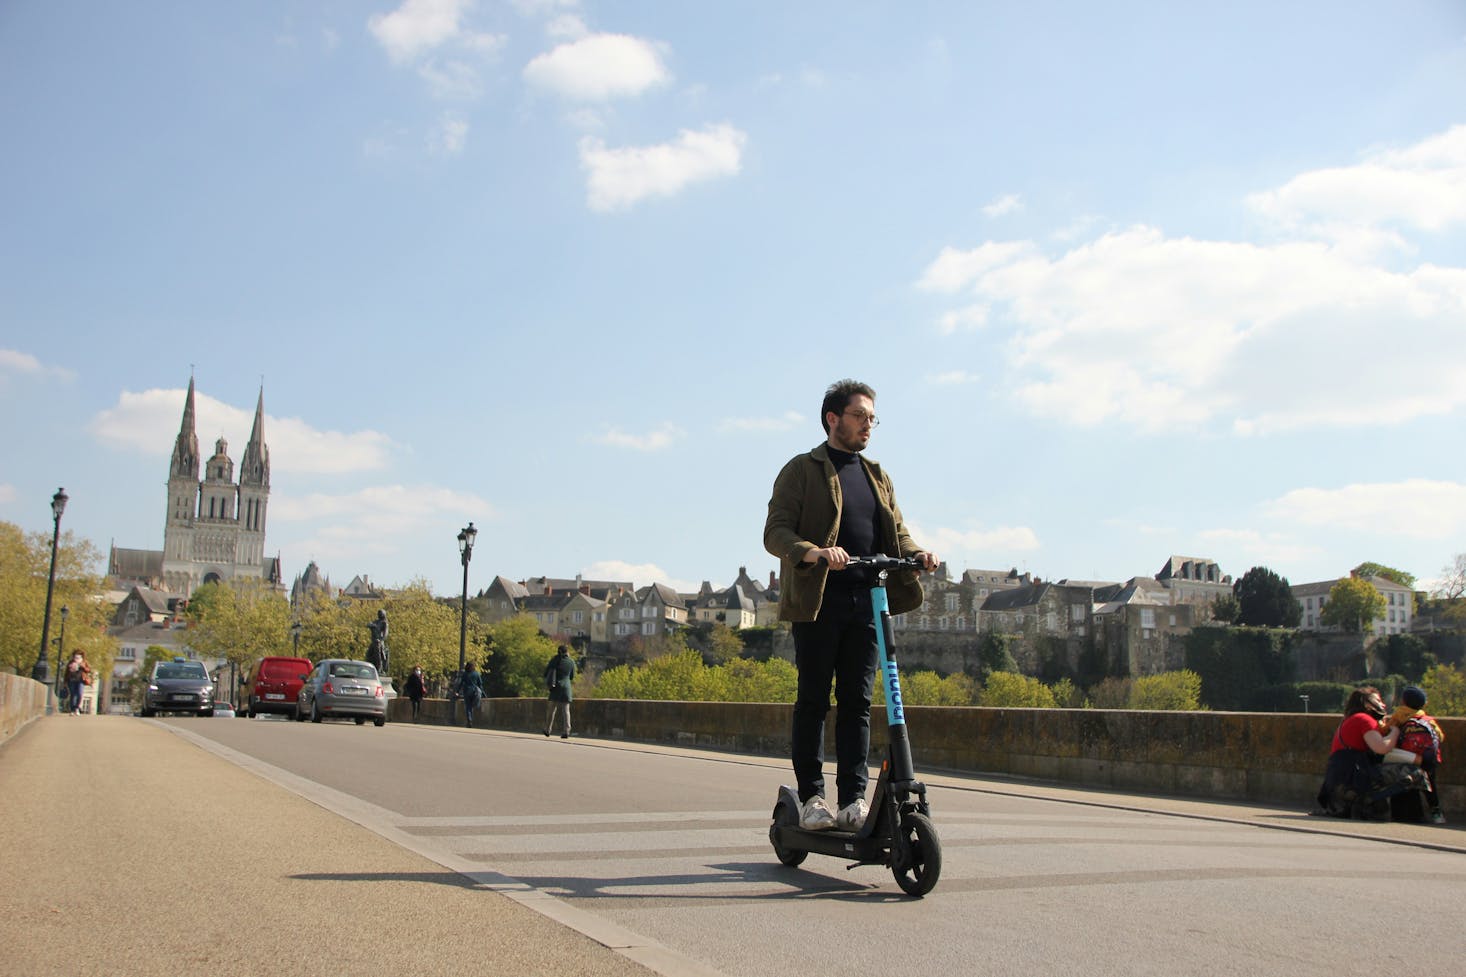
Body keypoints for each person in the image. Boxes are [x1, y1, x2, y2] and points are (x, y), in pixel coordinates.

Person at [763, 379, 938, 832]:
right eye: (860, 415)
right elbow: (775, 532)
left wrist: (917, 553)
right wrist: (814, 551)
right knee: (814, 701)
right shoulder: (802, 470)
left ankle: (853, 800)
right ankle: (812, 798)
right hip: (820, 603)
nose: (868, 425)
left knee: (858, 703)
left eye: (872, 418)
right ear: (833, 419)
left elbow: (897, 532)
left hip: (868, 603)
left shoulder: (876, 475)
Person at [1314, 685, 1401, 818]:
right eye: (1378, 700)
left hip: (1337, 786)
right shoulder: (1364, 720)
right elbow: (1381, 747)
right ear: (1367, 704)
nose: (1382, 704)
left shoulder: (1350, 719)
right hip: (1352, 782)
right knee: (1414, 773)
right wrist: (1395, 731)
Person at [1381, 685, 1446, 824]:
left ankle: (1402, 814)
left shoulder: (1399, 715)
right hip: (1429, 758)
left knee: (1405, 780)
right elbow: (1440, 736)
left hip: (1409, 757)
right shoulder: (1427, 719)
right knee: (1430, 785)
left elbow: (1386, 730)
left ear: (1404, 701)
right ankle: (1436, 813)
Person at [544, 645, 576, 739]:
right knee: (566, 710)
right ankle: (566, 731)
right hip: (566, 688)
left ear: (559, 651)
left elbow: (546, 673)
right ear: (567, 652)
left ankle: (548, 729)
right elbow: (571, 677)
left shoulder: (555, 660)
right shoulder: (571, 661)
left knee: (551, 710)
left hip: (555, 687)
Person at [62, 650, 92, 716]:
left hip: (81, 680)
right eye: (75, 656)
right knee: (73, 694)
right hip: (72, 680)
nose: (77, 658)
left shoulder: (84, 662)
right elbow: (67, 672)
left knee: (80, 693)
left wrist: (83, 667)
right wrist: (65, 681)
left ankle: (77, 708)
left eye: (78, 656)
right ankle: (72, 709)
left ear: (81, 656)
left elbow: (89, 670)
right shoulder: (71, 662)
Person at [459, 661, 483, 728]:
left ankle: (469, 720)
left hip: (467, 691)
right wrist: (483, 693)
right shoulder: (476, 674)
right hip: (474, 691)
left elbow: (461, 683)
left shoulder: (465, 674)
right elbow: (480, 684)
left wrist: (457, 691)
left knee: (468, 706)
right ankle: (470, 719)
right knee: (472, 706)